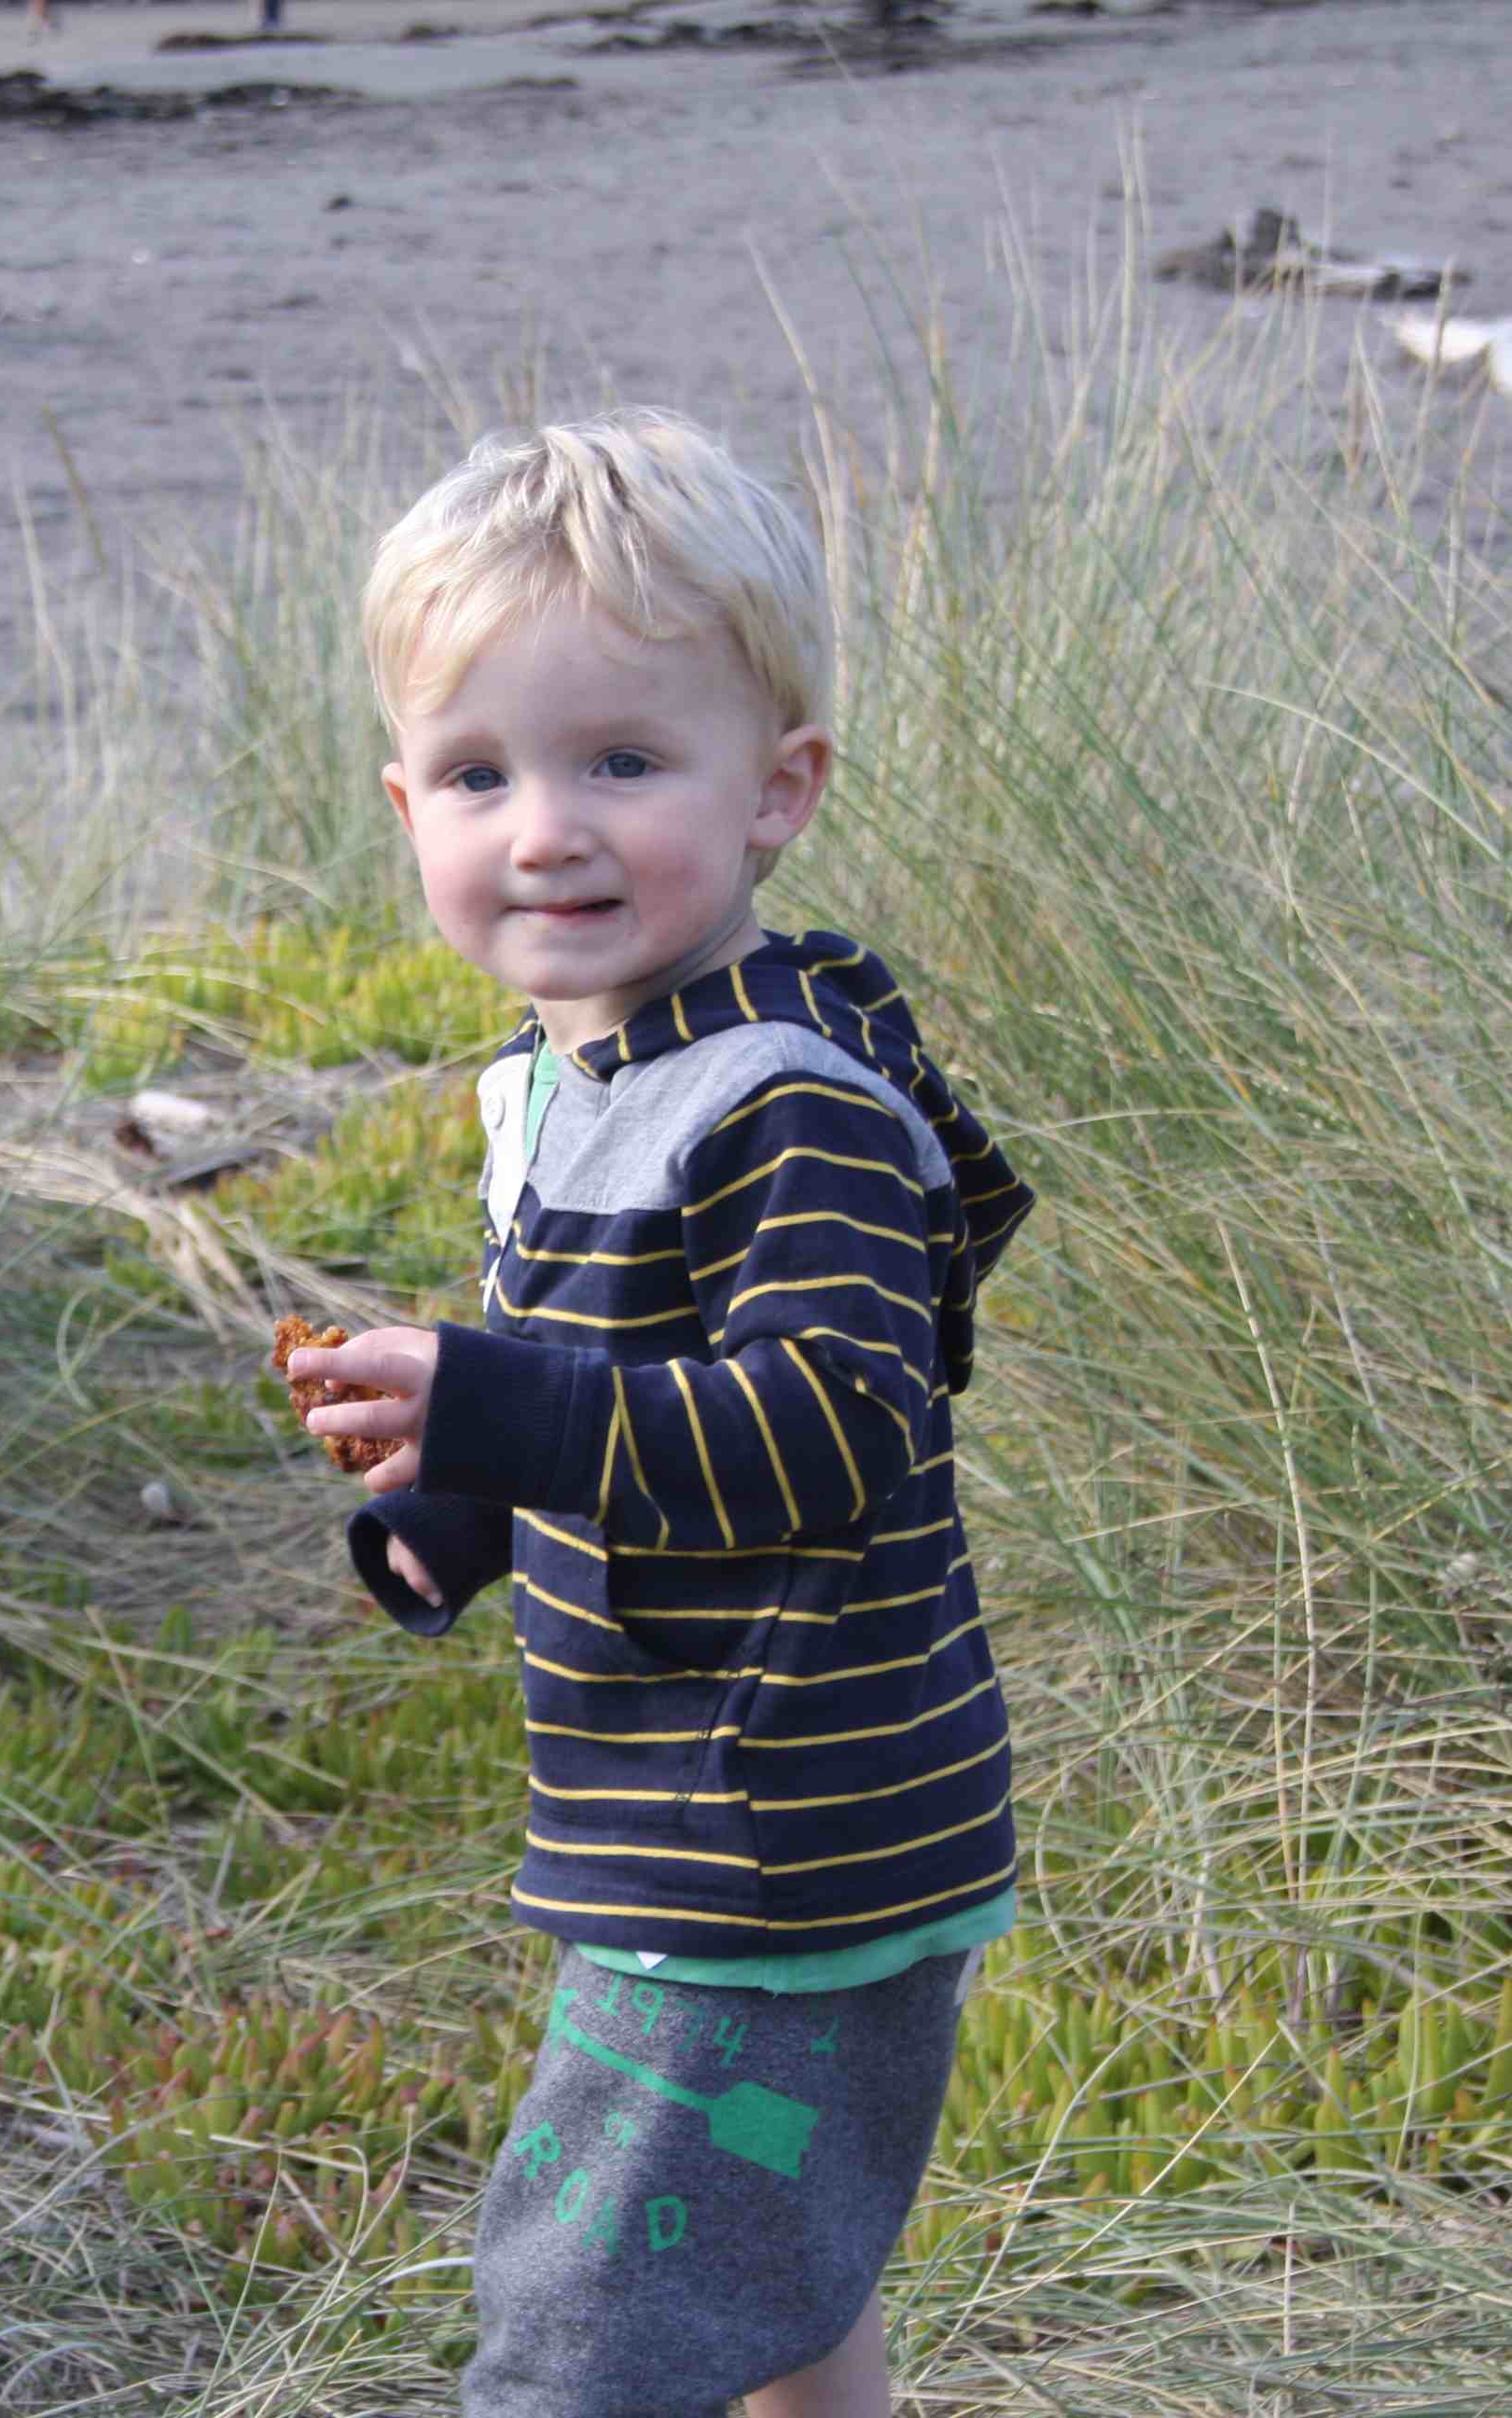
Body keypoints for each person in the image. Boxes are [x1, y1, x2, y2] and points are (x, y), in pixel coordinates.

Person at [284, 408, 1034, 2418]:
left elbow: (826, 1429)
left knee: (592, 2314)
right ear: (406, 803)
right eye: (480, 773)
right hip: (703, 1807)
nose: (547, 829)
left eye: (623, 761)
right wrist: (458, 1493)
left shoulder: (789, 1103)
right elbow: (613, 1373)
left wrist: (505, 1411)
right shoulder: (564, 1081)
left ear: (778, 788)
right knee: (777, 2241)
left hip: (774, 1835)